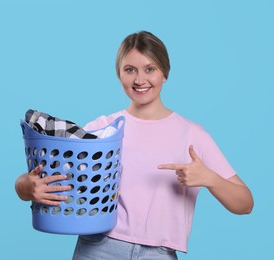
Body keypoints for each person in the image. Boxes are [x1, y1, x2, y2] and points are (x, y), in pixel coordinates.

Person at [15, 31, 254, 259]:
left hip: (159, 254)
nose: (140, 80)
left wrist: (209, 178)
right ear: (119, 74)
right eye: (130, 70)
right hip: (99, 248)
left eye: (149, 69)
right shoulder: (102, 130)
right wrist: (27, 186)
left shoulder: (192, 135)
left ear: (164, 73)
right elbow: (37, 181)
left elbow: (245, 204)